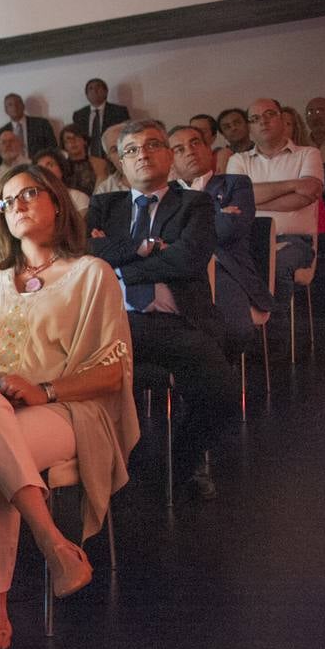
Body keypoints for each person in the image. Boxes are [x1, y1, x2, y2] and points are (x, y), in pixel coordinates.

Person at [0, 164, 139, 649]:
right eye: (7, 201)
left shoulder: (90, 273)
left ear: (57, 203)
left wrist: (45, 389)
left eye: (30, 193)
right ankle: (51, 540)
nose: (18, 204)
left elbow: (113, 368)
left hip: (66, 410)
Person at [89, 120, 237, 497]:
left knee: (220, 395)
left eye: (153, 145)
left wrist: (120, 262)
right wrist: (147, 247)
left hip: (178, 322)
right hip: (115, 325)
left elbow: (188, 260)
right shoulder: (104, 206)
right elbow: (86, 256)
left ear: (169, 155)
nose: (144, 154)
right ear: (121, 163)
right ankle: (107, 464)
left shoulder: (195, 203)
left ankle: (181, 462)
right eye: (132, 150)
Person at [168, 125, 272, 349]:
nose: (189, 151)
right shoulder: (164, 194)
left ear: (208, 149)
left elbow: (229, 230)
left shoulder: (236, 184)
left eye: (195, 143)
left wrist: (181, 228)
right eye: (179, 149)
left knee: (236, 332)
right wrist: (217, 215)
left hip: (224, 268)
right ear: (170, 160)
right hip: (177, 272)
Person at [226, 98, 324, 323]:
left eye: (270, 114)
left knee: (275, 267)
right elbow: (236, 200)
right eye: (255, 119)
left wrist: (251, 199)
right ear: (250, 129)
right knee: (225, 268)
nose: (263, 122)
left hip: (295, 241)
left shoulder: (308, 154)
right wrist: (291, 185)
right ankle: (244, 335)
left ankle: (274, 341)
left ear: (283, 119)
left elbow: (305, 196)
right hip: (249, 240)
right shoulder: (238, 160)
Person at [71, 78, 130, 159]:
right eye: (90, 88)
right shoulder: (79, 115)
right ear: (87, 94)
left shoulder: (119, 111)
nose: (94, 91)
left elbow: (126, 135)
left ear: (106, 92)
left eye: (98, 87)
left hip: (113, 156)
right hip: (88, 159)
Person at [0, 93, 55, 163]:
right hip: (15, 171)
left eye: (17, 103)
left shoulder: (41, 124)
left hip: (39, 168)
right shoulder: (1, 133)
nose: (15, 107)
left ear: (23, 106)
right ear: (6, 110)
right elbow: (0, 160)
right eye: (10, 105)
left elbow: (53, 149)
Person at [58, 124, 108, 194]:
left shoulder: (99, 163)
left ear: (85, 141)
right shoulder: (60, 167)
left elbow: (102, 190)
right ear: (64, 145)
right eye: (68, 139)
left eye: (76, 137)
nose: (73, 142)